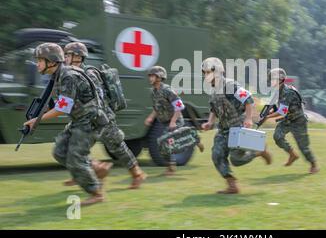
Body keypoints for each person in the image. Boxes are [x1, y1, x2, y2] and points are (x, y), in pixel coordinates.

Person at [24, 43, 107, 205]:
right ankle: (96, 169)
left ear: (52, 61)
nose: (37, 64)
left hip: (90, 120)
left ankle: (96, 193)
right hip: (79, 119)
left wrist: (37, 120)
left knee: (75, 159)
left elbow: (63, 107)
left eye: (40, 60)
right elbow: (61, 102)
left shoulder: (67, 75)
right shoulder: (58, 76)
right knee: (59, 152)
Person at [63, 42, 147, 189]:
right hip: (87, 119)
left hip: (102, 118)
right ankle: (84, 173)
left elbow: (98, 99)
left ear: (78, 57)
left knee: (117, 147)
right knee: (75, 145)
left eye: (68, 55)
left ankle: (137, 174)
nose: (65, 58)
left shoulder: (90, 74)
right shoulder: (73, 74)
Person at [200, 57, 272, 194]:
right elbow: (214, 109)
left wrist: (249, 118)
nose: (206, 75)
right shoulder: (214, 90)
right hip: (223, 128)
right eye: (204, 72)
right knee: (217, 155)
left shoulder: (231, 85)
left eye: (208, 72)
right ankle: (232, 186)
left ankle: (259, 151)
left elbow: (248, 100)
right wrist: (210, 122)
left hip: (237, 127)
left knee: (236, 159)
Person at [145, 66, 204, 175]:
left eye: (152, 76)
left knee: (166, 142)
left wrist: (173, 121)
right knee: (164, 143)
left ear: (159, 77)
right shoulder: (154, 92)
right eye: (149, 76)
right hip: (165, 121)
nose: (150, 78)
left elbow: (179, 106)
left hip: (175, 120)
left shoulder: (167, 90)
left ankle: (171, 167)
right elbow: (156, 107)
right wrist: (151, 117)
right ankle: (193, 139)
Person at [264, 68, 319, 174]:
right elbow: (279, 107)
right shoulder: (278, 91)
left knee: (303, 147)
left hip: (298, 121)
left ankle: (314, 165)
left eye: (272, 79)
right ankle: (292, 154)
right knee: (278, 136)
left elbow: (282, 112)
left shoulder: (288, 92)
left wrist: (267, 116)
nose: (270, 82)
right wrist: (270, 110)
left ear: (280, 79)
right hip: (287, 120)